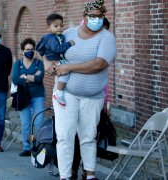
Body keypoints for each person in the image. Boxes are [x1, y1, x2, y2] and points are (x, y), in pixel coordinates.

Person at [45, 1, 116, 179]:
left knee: (88, 137)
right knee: (64, 136)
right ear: (84, 17)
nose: (97, 19)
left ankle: (89, 174)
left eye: (100, 16)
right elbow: (49, 51)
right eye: (92, 15)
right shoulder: (68, 33)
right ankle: (65, 176)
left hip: (93, 97)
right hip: (65, 94)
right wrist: (50, 65)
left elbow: (99, 64)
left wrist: (69, 68)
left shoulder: (106, 37)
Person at [70, 16, 111, 180]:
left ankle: (88, 172)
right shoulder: (85, 47)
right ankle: (72, 170)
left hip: (97, 98)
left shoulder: (106, 46)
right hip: (78, 96)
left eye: (106, 30)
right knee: (76, 137)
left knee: (90, 137)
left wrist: (107, 103)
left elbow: (104, 79)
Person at [12, 38, 45, 156]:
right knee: (25, 123)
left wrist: (24, 76)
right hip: (23, 97)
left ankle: (38, 145)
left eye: (32, 49)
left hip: (38, 96)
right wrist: (31, 77)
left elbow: (39, 78)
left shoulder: (38, 63)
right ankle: (27, 147)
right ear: (22, 51)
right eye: (27, 49)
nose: (29, 52)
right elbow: (15, 79)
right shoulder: (18, 64)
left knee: (39, 122)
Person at [36, 13, 75, 106]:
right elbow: (57, 49)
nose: (59, 28)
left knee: (60, 76)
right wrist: (69, 44)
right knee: (66, 71)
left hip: (57, 59)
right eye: (56, 26)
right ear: (48, 28)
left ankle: (59, 90)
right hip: (56, 60)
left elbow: (40, 49)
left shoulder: (55, 36)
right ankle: (59, 93)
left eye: (61, 26)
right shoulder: (51, 38)